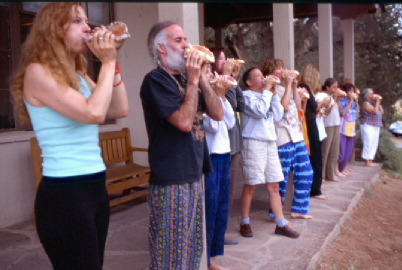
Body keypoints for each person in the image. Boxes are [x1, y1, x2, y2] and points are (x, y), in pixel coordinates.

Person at [11, 3, 129, 269]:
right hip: (65, 195)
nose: (88, 27)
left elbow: (119, 108)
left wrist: (114, 64)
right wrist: (107, 62)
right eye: (77, 21)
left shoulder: (79, 75)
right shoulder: (37, 72)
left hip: (95, 186)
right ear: (54, 30)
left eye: (86, 20)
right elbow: (95, 113)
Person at [140, 21, 224, 269]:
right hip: (171, 178)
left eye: (186, 40)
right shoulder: (155, 80)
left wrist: (204, 80)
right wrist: (194, 82)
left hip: (194, 172)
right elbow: (185, 122)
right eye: (179, 40)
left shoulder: (191, 80)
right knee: (169, 253)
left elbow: (219, 115)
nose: (187, 45)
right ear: (162, 48)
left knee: (192, 248)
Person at [239, 67, 300, 238]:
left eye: (262, 75)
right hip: (253, 142)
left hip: (270, 142)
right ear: (250, 82)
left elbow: (279, 114)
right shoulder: (246, 96)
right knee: (251, 184)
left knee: (274, 184)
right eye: (258, 76)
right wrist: (267, 91)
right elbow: (258, 111)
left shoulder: (268, 94)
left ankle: (280, 223)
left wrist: (273, 93)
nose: (262, 78)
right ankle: (245, 221)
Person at [261, 59, 314, 220]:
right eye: (279, 69)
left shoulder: (286, 88)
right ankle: (274, 213)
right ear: (270, 72)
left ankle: (299, 209)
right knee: (281, 177)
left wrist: (293, 86)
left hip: (296, 136)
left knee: (306, 172)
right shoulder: (268, 90)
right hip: (282, 137)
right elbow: (283, 108)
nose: (283, 71)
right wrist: (289, 85)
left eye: (283, 68)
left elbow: (298, 107)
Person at [203, 66, 236, 270]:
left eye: (211, 71)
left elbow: (231, 122)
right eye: (207, 71)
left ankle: (214, 255)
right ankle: (205, 258)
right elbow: (214, 125)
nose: (212, 76)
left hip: (224, 154)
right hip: (211, 156)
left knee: (222, 207)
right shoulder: (201, 97)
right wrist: (216, 95)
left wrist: (222, 97)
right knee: (211, 208)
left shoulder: (216, 96)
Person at [213, 49, 245, 246]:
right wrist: (226, 79)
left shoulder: (228, 83)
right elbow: (229, 106)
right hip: (220, 145)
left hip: (233, 142)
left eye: (227, 59)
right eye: (222, 59)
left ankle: (221, 231)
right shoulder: (214, 82)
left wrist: (233, 79)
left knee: (229, 190)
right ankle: (216, 234)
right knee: (218, 191)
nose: (226, 62)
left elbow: (240, 105)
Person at [299, 64, 329, 200]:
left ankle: (315, 187)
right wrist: (321, 104)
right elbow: (305, 109)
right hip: (309, 125)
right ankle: (315, 189)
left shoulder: (308, 89)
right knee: (315, 156)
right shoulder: (304, 88)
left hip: (312, 123)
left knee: (316, 156)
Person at [338, 83, 359, 173]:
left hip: (351, 130)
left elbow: (357, 114)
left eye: (353, 91)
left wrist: (356, 101)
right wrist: (350, 102)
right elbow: (342, 113)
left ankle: (342, 169)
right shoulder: (342, 101)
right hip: (342, 129)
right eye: (350, 91)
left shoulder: (354, 102)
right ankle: (337, 169)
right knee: (341, 153)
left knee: (348, 153)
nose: (352, 93)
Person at [360, 88, 383, 167]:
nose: (372, 95)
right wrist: (376, 102)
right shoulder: (366, 103)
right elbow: (375, 111)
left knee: (374, 143)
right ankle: (367, 160)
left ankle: (371, 159)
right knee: (368, 143)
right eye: (371, 94)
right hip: (368, 125)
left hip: (376, 125)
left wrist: (378, 102)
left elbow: (381, 111)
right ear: (367, 95)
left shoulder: (374, 103)